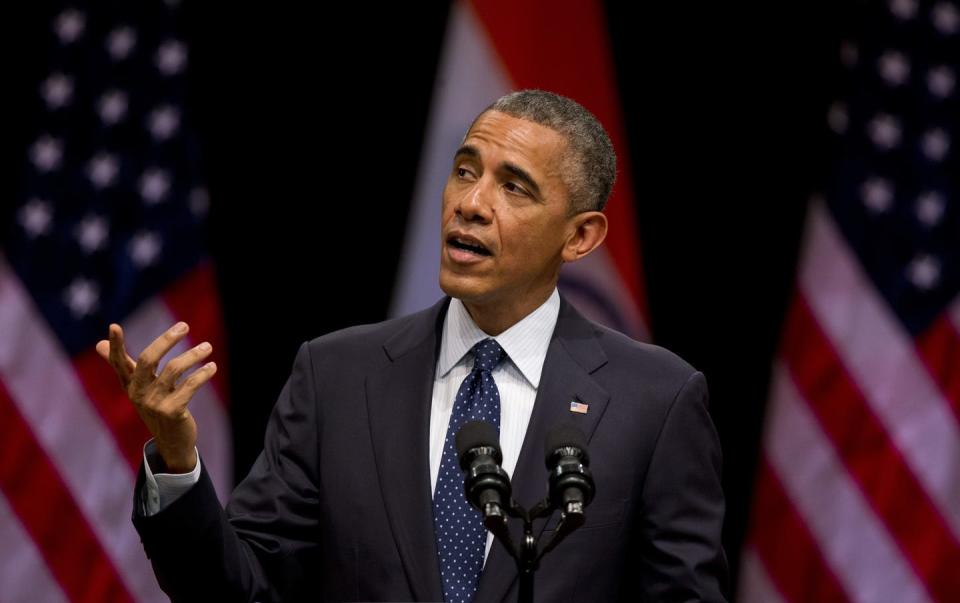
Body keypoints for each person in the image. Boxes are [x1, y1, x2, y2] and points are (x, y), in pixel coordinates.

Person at [98, 89, 728, 602]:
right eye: (464, 171)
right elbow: (239, 590)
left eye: (514, 187)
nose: (471, 204)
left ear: (581, 236)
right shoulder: (337, 375)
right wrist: (178, 462)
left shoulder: (656, 400)